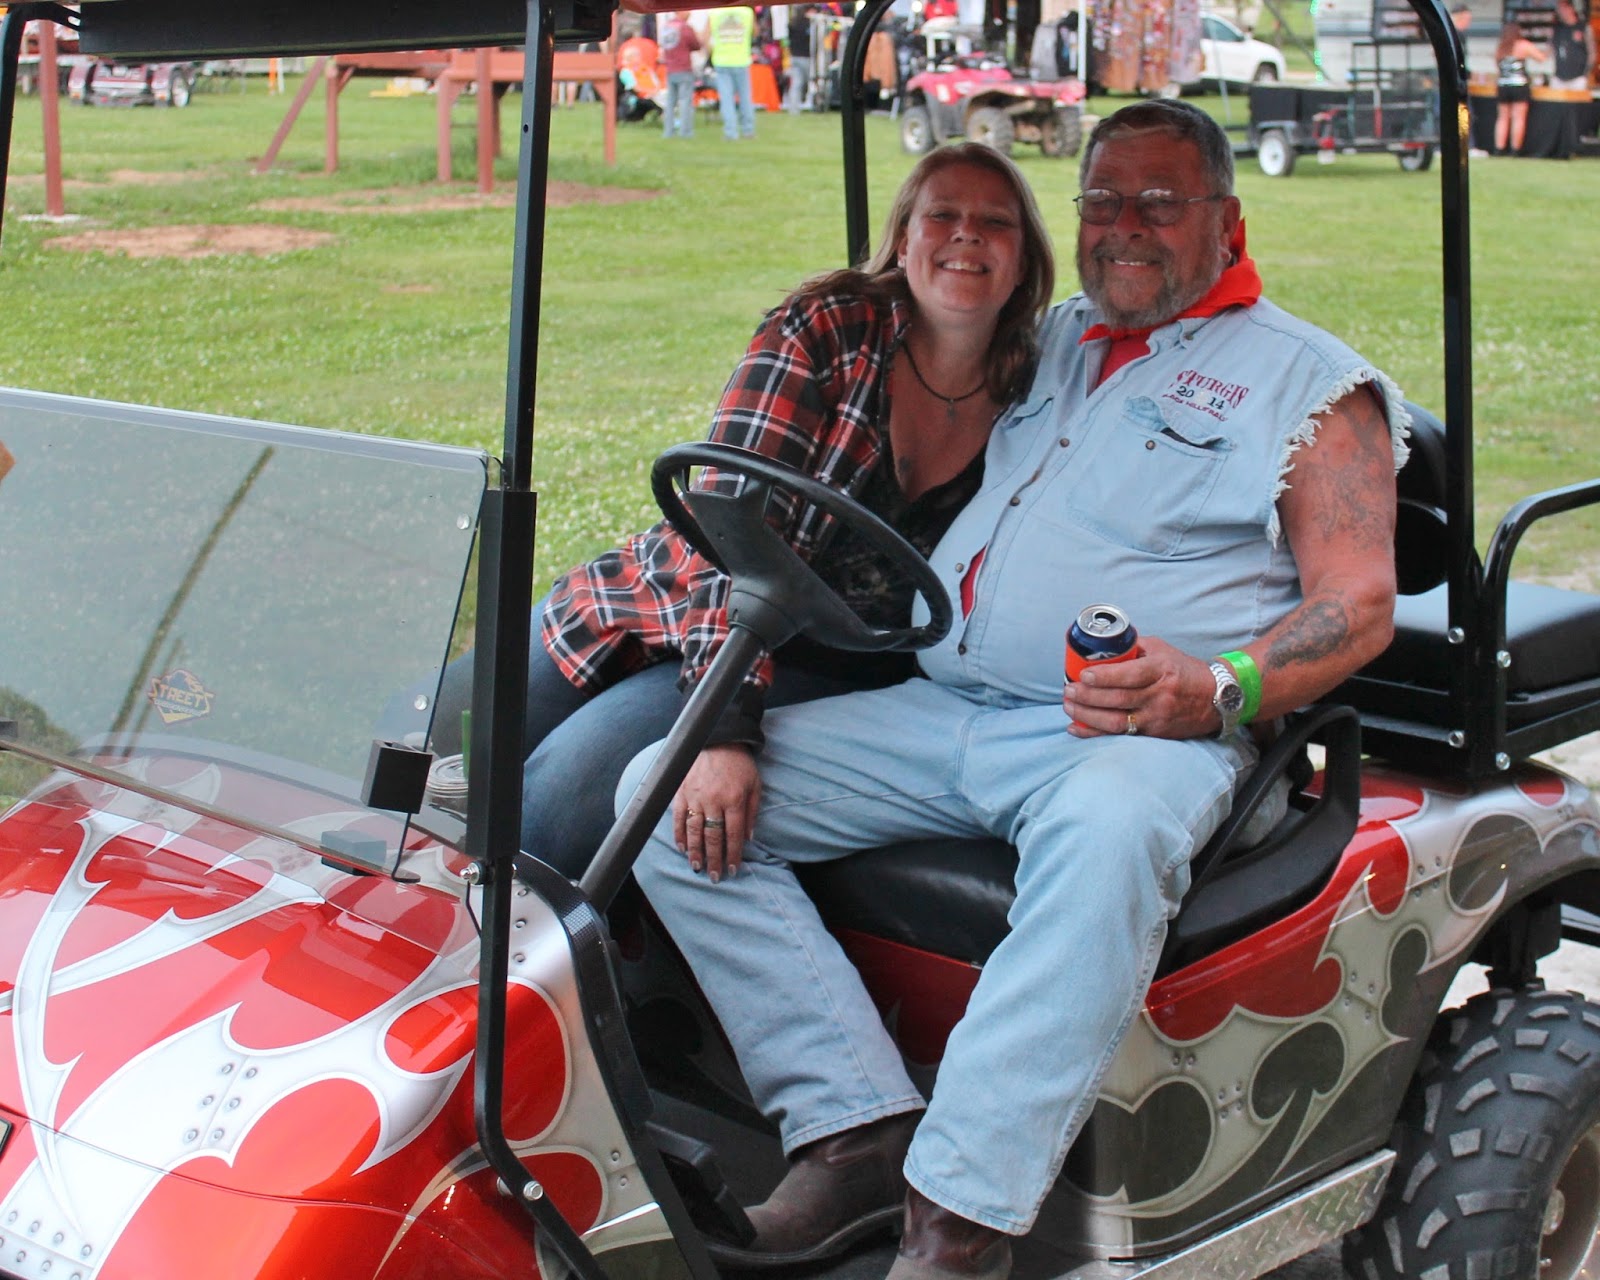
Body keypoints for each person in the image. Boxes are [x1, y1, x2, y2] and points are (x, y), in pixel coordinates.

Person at [630, 98, 1408, 1280]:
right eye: (1102, 200)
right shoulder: (1048, 344)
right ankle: (850, 1124)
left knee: (1104, 847)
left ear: (1227, 218)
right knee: (662, 798)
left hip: (1133, 735)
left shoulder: (1306, 384)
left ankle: (957, 1222)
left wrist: (1219, 684)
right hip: (945, 707)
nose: (1124, 227)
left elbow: (1354, 600)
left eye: (1161, 201)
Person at [429, 142, 1054, 879]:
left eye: (995, 221)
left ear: (1025, 261)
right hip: (668, 599)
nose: (966, 234)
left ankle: (496, 966)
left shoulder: (1038, 391)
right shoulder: (827, 329)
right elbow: (728, 529)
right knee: (438, 738)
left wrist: (726, 728)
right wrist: (720, 728)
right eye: (941, 214)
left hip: (819, 666)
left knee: (561, 796)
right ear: (904, 238)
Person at [1495, 20, 1548, 154]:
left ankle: (1499, 148)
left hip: (1503, 85)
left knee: (1502, 117)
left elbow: (1498, 65)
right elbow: (1541, 58)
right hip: (1519, 85)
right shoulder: (1523, 45)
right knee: (1518, 118)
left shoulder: (1501, 47)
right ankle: (1515, 149)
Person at [708, 4, 758, 140]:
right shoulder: (747, 12)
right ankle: (748, 130)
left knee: (727, 99)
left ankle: (731, 132)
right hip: (741, 59)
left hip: (721, 60)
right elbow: (756, 32)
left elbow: (705, 37)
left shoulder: (715, 12)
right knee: (745, 98)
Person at [659, 10, 701, 138]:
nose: (690, 13)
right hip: (684, 68)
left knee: (670, 103)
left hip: (670, 68)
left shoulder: (666, 27)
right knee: (685, 102)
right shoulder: (685, 28)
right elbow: (696, 45)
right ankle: (685, 132)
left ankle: (668, 131)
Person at [1550, 0, 1594, 90]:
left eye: (1563, 8)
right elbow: (1550, 49)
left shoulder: (1583, 28)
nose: (1560, 11)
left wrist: (1586, 73)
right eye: (1559, 8)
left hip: (1578, 78)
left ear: (1571, 8)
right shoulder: (1557, 29)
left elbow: (1592, 52)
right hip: (1559, 77)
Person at [786, 4, 814, 113]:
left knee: (796, 84)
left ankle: (793, 109)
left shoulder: (792, 24)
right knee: (811, 82)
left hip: (795, 56)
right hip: (806, 57)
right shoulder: (808, 24)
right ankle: (812, 105)